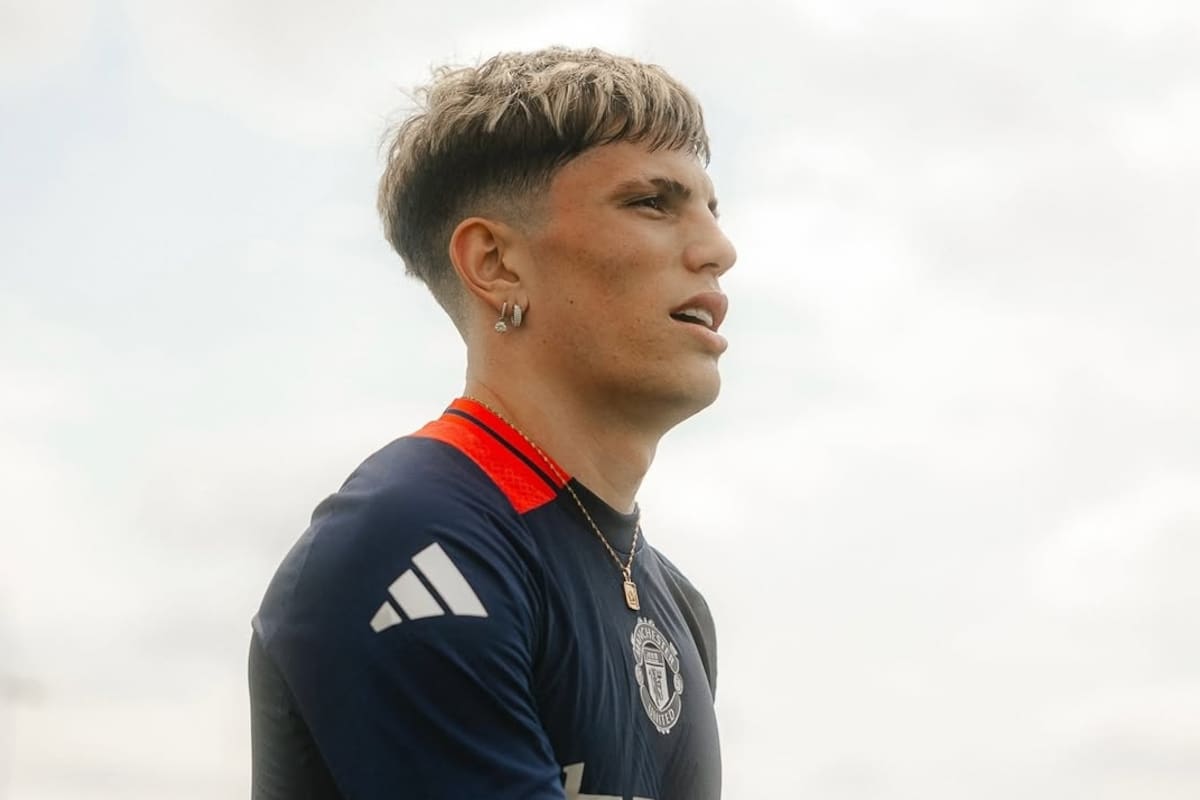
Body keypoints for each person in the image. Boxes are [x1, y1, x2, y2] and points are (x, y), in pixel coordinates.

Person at [249, 46, 737, 800]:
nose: (717, 250)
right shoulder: (411, 537)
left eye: (712, 209)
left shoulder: (681, 604)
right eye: (652, 202)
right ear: (496, 263)